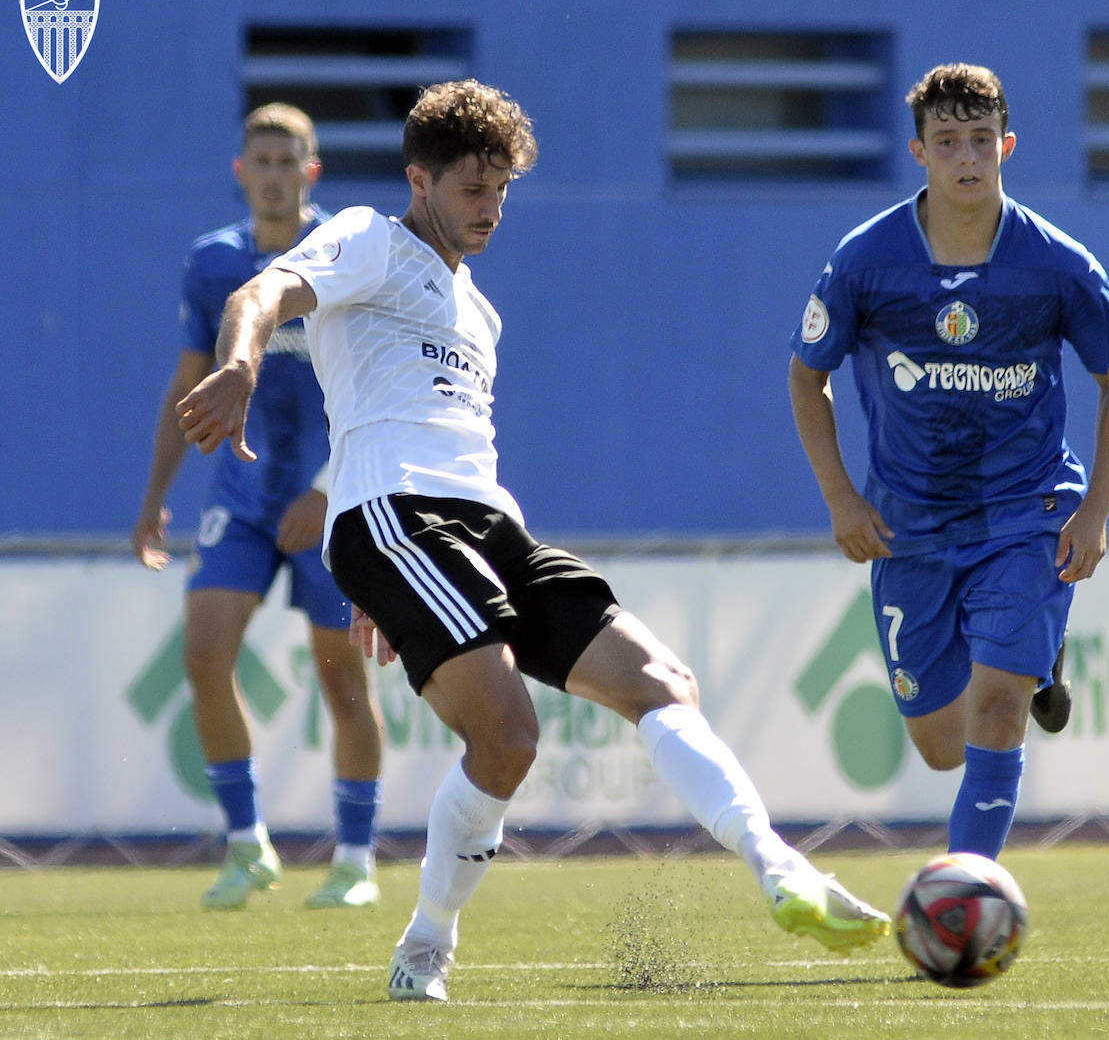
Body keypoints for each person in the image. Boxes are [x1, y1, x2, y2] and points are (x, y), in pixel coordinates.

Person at [174, 79, 891, 1002]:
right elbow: (264, 287)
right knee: (509, 736)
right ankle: (427, 944)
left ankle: (783, 870)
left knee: (663, 685)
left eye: (503, 188)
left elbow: (441, 428)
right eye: (473, 187)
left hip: (486, 523)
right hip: (395, 516)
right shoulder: (371, 237)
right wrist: (238, 365)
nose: (492, 207)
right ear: (418, 179)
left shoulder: (481, 312)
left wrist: (387, 589)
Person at [788, 63, 1109, 860]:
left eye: (982, 140)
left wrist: (1097, 512)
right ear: (919, 152)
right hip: (908, 528)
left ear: (1007, 145)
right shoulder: (865, 260)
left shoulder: (1058, 264)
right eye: (948, 142)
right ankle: (1043, 660)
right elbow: (807, 376)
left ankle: (966, 893)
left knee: (995, 715)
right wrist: (841, 497)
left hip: (1029, 514)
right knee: (942, 745)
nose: (968, 159)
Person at [132, 104, 384, 910]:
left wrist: (325, 489)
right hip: (240, 496)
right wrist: (155, 499)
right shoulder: (211, 265)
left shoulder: (337, 259)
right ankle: (246, 847)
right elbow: (187, 383)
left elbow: (375, 394)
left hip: (326, 501)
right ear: (242, 171)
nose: (274, 174)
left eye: (289, 161)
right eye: (261, 161)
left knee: (343, 684)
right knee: (203, 656)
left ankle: (354, 861)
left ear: (310, 173)